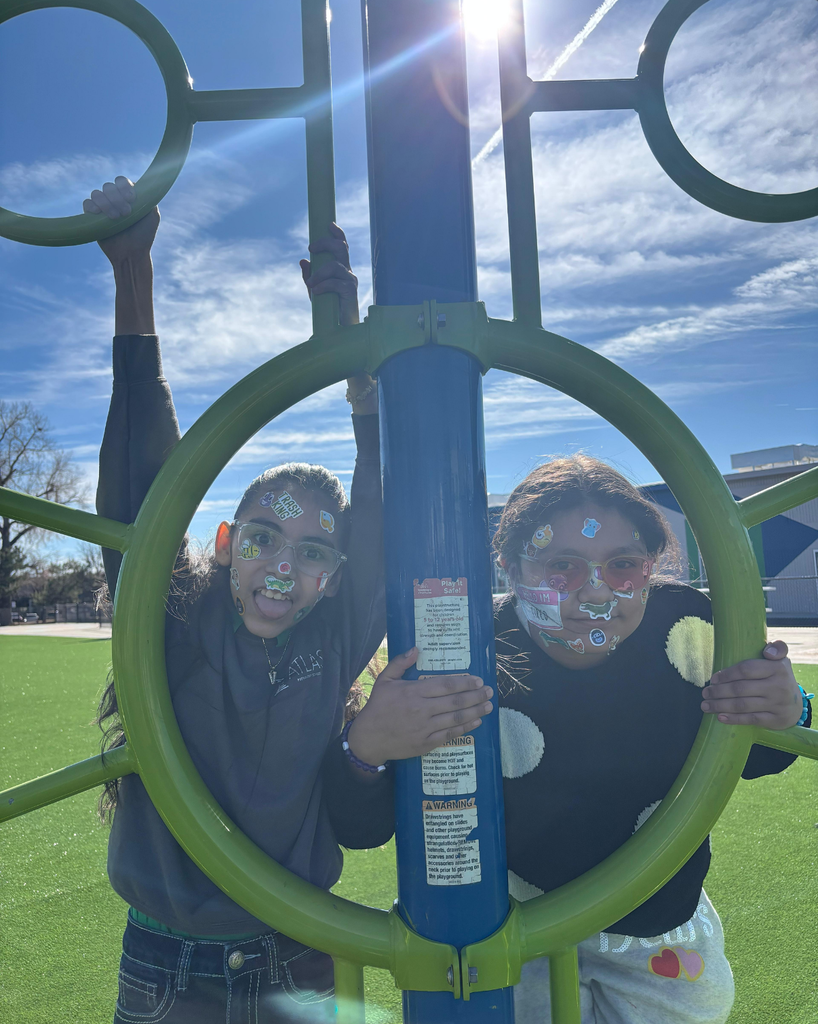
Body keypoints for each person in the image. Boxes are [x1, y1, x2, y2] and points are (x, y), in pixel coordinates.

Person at [87, 176, 493, 1024]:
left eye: (313, 553)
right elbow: (140, 488)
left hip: (296, 950)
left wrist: (354, 358)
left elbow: (380, 507)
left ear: (336, 576)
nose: (284, 569)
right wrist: (134, 275)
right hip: (170, 958)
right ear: (228, 545)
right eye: (264, 539)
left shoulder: (335, 635)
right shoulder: (175, 619)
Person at [344, 455, 811, 1024]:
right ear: (510, 567)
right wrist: (363, 745)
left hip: (656, 925)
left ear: (653, 566)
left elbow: (758, 752)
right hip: (519, 929)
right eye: (561, 566)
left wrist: (788, 708)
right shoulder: (468, 648)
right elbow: (363, 822)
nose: (595, 595)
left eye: (623, 565)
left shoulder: (690, 625)